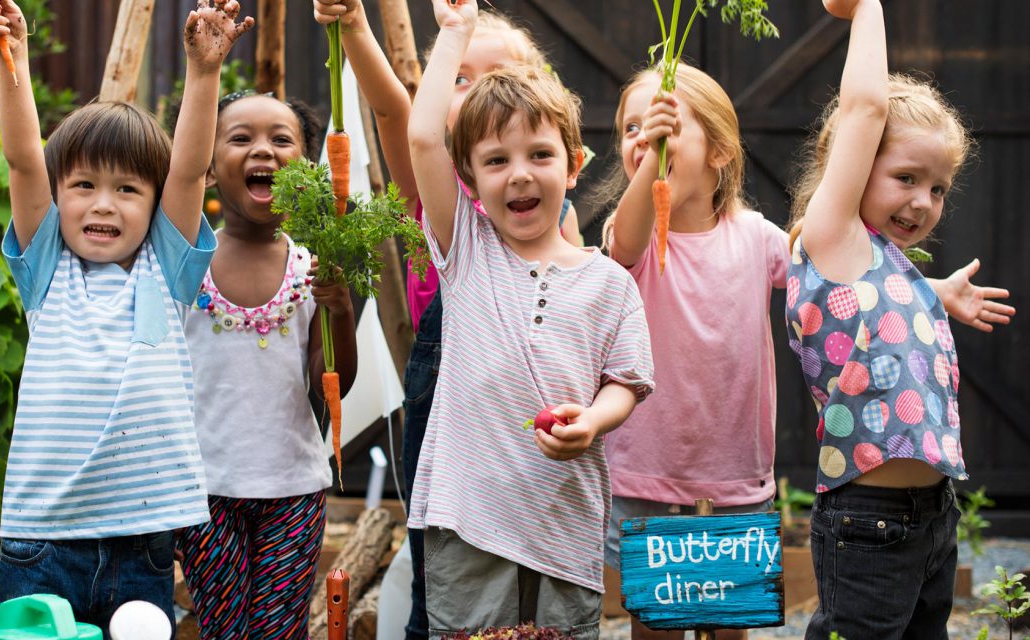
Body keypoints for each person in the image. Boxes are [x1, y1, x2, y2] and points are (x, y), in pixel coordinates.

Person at [0, 0, 252, 633]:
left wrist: (204, 73)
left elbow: (188, 170)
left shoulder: (169, 271)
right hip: (43, 541)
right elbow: (22, 160)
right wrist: (10, 58)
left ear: (154, 206)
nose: (104, 205)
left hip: (141, 543)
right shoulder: (47, 269)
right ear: (59, 194)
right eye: (83, 187)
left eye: (128, 190)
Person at [311, 2, 578, 636]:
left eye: (500, 75)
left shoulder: (545, 193)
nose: (482, 88)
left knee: (528, 554)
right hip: (449, 383)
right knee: (447, 552)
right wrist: (352, 26)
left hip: (534, 385)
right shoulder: (438, 188)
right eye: (459, 76)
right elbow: (394, 113)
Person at [406, 0, 654, 635]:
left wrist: (595, 420)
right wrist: (455, 32)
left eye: (540, 155)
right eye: (495, 160)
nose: (519, 174)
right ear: (470, 177)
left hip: (563, 523)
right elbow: (422, 136)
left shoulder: (609, 283)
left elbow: (626, 381)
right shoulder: (467, 250)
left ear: (573, 165)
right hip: (469, 521)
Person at [786, 1, 1014, 637]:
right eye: (906, 177)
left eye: (938, 187)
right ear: (852, 167)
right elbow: (864, 107)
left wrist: (936, 293)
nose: (924, 201)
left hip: (930, 513)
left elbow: (876, 311)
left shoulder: (884, 268)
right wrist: (865, 9)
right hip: (868, 516)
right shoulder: (833, 238)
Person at [595, 63, 788, 640]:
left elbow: (831, 273)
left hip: (733, 481)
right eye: (631, 129)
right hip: (646, 478)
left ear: (721, 152)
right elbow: (626, 238)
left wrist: (931, 290)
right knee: (655, 627)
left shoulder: (757, 237)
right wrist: (659, 150)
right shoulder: (629, 235)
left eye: (663, 126)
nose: (643, 139)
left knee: (729, 627)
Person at [173, 90, 357, 639]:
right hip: (207, 491)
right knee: (224, 630)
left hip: (294, 488)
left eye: (282, 139)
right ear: (207, 168)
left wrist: (341, 309)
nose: (264, 150)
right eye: (240, 138)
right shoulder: (186, 264)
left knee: (280, 630)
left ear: (307, 167)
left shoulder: (313, 266)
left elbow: (333, 384)